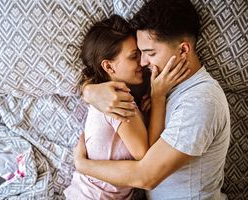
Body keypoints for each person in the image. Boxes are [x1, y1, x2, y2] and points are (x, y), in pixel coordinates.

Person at [74, 0, 231, 199]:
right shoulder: (161, 83)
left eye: (150, 53)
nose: (143, 62)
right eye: (139, 54)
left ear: (183, 50)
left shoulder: (201, 102)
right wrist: (89, 90)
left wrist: (83, 165)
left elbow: (147, 176)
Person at [64, 14, 189, 199]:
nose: (142, 62)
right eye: (133, 57)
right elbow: (148, 157)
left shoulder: (110, 95)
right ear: (108, 66)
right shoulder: (117, 100)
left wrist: (147, 115)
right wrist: (158, 98)